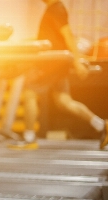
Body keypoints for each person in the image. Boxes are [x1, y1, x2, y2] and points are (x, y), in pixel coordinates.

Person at [10, 0, 108, 150]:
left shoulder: (56, 8)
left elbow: (68, 35)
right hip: (58, 62)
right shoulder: (54, 9)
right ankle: (102, 125)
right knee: (64, 101)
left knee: (29, 93)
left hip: (52, 62)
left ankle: (29, 138)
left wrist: (77, 62)